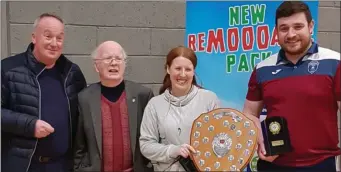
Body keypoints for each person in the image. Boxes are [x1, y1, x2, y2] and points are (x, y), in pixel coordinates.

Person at [243, 1, 341, 171]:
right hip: (273, 164)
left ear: (311, 27)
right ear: (276, 32)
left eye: (298, 26)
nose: (291, 34)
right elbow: (250, 113)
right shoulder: (262, 68)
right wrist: (261, 141)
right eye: (284, 28)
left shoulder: (335, 63)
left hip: (320, 164)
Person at [1, 13, 87, 172]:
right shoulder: (8, 69)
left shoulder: (72, 72)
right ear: (34, 37)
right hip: (24, 166)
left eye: (59, 38)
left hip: (64, 166)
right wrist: (29, 125)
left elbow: (84, 116)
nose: (54, 43)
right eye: (48, 36)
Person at [73, 41, 155, 172]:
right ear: (96, 66)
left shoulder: (143, 95)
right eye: (107, 58)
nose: (114, 62)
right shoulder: (84, 99)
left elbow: (153, 139)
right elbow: (78, 145)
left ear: (124, 64)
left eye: (118, 58)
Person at [139, 46, 221, 171]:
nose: (182, 74)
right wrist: (173, 150)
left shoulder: (209, 99)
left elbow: (221, 138)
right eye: (177, 68)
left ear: (193, 71)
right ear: (168, 69)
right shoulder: (154, 105)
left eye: (188, 69)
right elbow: (146, 145)